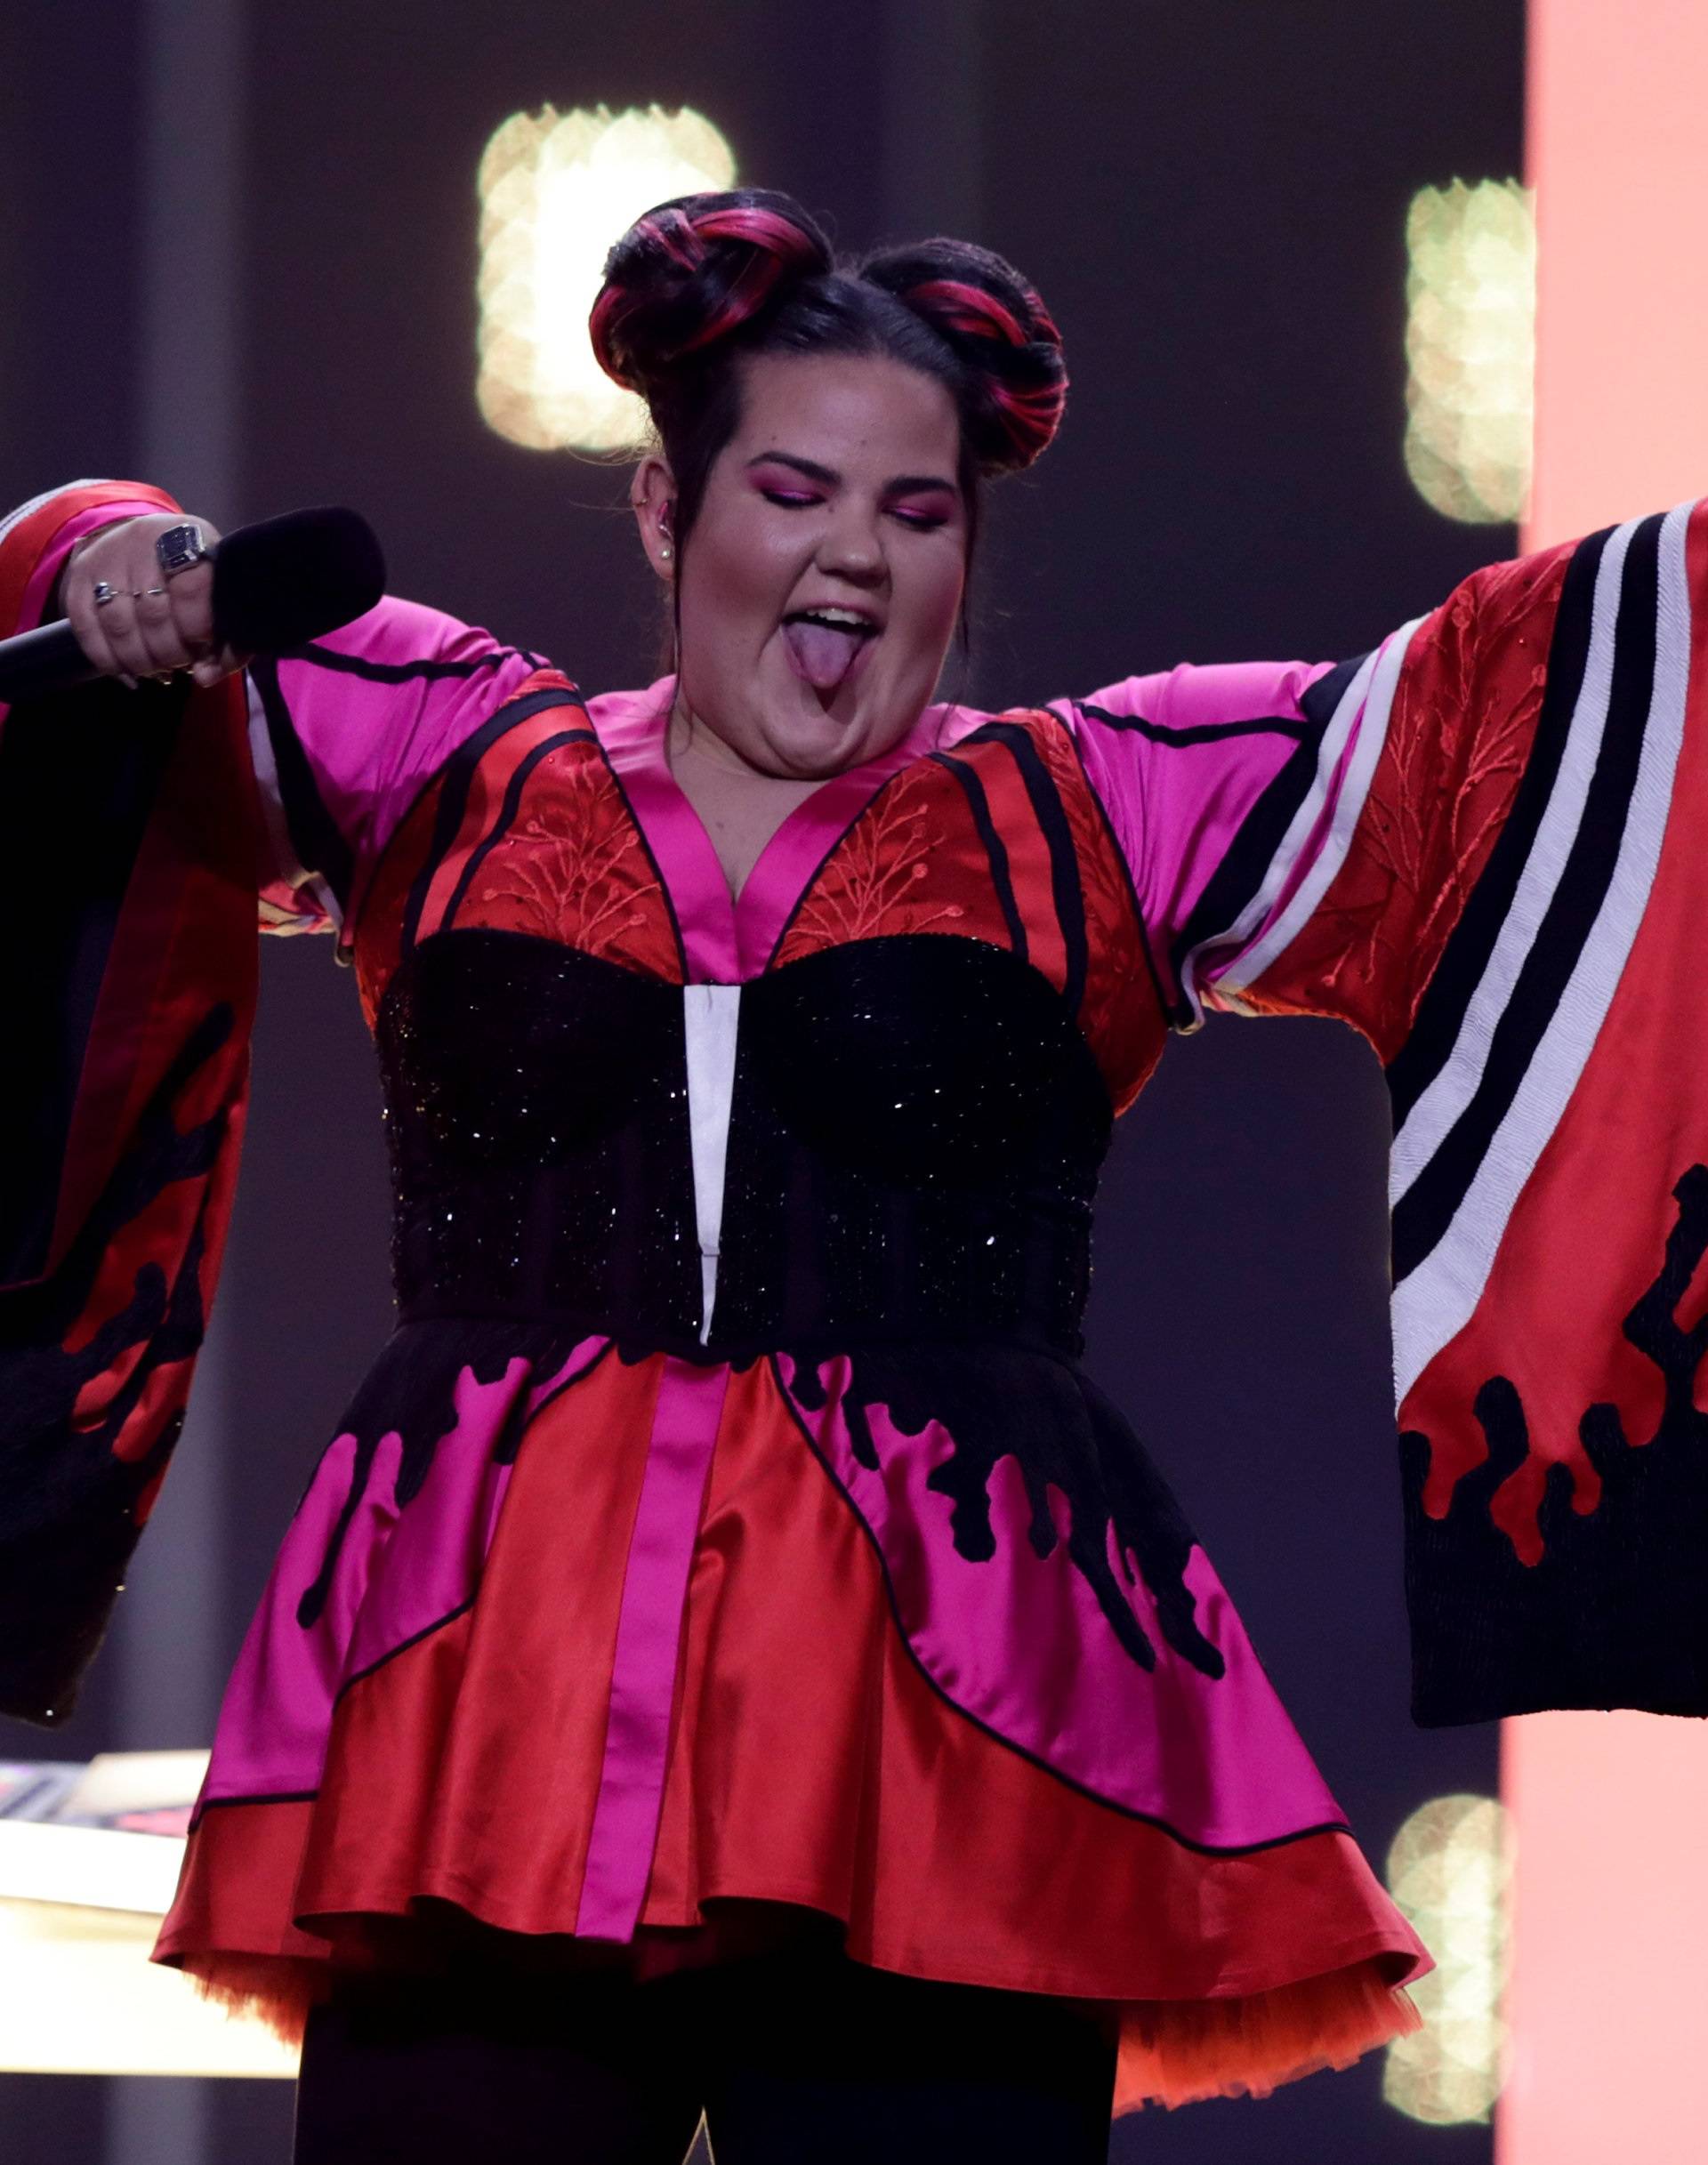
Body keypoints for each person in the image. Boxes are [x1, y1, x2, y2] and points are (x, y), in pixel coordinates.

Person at [3, 187, 1704, 2161]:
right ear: (665, 513)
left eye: (917, 514)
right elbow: (108, 597)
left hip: (959, 1738)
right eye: (796, 490)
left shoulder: (1102, 806)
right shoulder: (449, 753)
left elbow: (1494, 714)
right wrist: (109, 554)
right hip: (483, 1707)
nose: (853, 556)